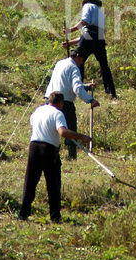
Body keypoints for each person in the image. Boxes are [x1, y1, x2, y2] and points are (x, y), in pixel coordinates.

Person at [18, 91, 92, 223]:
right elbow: (62, 132)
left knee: (30, 182)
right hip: (49, 149)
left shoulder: (38, 110)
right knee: (53, 183)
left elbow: (33, 124)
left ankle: (23, 214)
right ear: (60, 103)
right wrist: (82, 137)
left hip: (34, 147)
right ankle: (55, 216)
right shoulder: (58, 113)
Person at [45, 49, 100, 160]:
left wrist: (86, 86)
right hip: (63, 102)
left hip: (50, 99)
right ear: (78, 56)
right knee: (70, 128)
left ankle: (50, 153)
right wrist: (90, 100)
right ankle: (71, 156)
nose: (81, 63)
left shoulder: (60, 63)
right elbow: (77, 88)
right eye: (82, 60)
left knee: (51, 127)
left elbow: (66, 83)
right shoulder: (74, 67)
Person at [63, 0, 117, 99]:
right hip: (100, 38)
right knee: (104, 66)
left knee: (77, 60)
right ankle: (111, 92)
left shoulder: (87, 5)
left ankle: (77, 88)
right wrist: (71, 43)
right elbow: (92, 32)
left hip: (89, 36)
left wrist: (70, 30)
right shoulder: (100, 13)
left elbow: (85, 23)